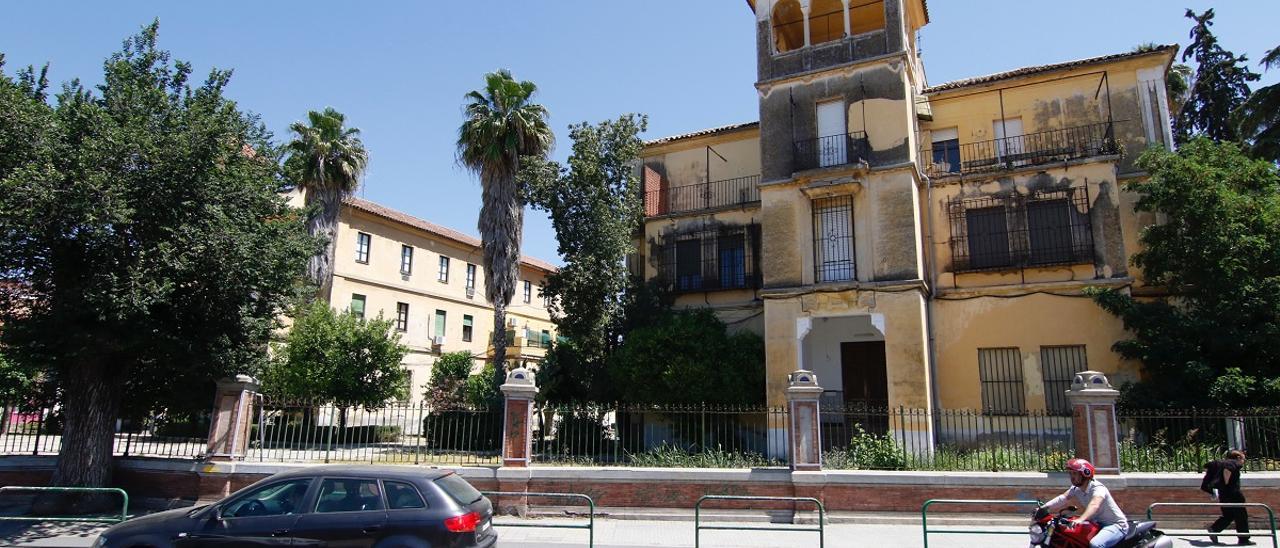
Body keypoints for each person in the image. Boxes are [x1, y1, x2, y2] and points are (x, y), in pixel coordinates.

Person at [1041, 458, 1129, 548]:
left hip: (1115, 525)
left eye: (1075, 473)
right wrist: (1043, 508)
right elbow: (1062, 498)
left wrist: (1081, 519)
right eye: (1070, 473)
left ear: (1085, 474)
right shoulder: (1076, 489)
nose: (1072, 477)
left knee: (1096, 545)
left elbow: (1094, 505)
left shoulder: (1097, 488)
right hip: (1096, 524)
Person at [1206, 450, 1252, 545]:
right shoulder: (1232, 463)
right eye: (1243, 459)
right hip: (1233, 494)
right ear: (1238, 458)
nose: (1244, 461)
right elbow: (1227, 471)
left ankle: (1214, 529)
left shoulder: (1223, 463)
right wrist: (1227, 483)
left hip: (1224, 494)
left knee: (1229, 515)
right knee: (1241, 516)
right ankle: (1244, 539)